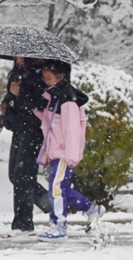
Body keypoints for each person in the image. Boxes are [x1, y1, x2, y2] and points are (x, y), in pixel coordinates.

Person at [34, 59, 105, 241]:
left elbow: (72, 130)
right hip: (57, 151)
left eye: (49, 78)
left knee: (56, 188)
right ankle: (92, 209)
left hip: (64, 153)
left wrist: (71, 155)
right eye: (45, 78)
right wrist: (34, 108)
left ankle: (59, 225)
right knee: (60, 189)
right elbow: (51, 123)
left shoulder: (67, 100)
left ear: (60, 77)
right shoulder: (56, 97)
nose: (46, 81)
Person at [0, 56, 51, 236]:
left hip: (33, 130)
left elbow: (40, 103)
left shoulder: (38, 74)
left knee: (23, 175)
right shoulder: (17, 73)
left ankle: (23, 223)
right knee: (15, 175)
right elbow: (12, 97)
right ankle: (53, 205)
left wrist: (20, 94)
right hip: (18, 128)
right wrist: (8, 100)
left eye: (22, 54)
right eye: (16, 54)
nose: (18, 57)